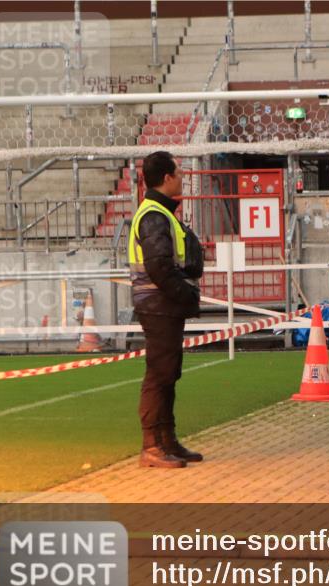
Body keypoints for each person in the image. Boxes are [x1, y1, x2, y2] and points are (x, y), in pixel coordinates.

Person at [128, 151, 205, 468]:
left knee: (167, 373)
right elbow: (159, 267)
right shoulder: (154, 216)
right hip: (159, 305)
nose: (183, 176)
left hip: (161, 304)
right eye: (179, 171)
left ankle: (167, 441)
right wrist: (185, 294)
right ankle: (152, 446)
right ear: (167, 177)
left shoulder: (158, 212)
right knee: (159, 375)